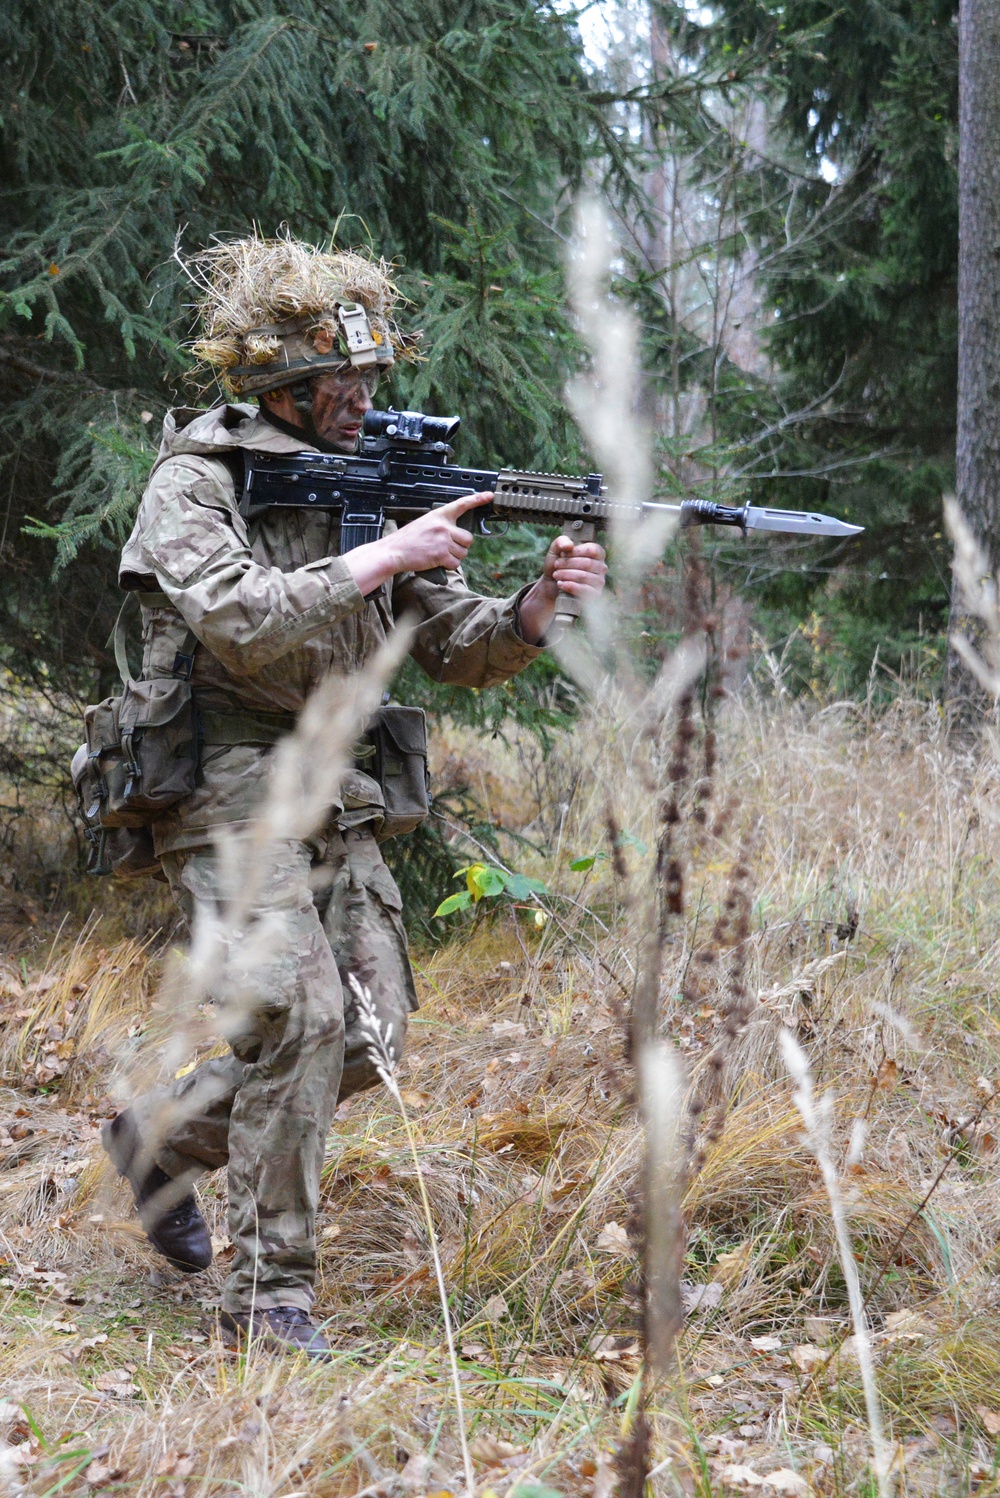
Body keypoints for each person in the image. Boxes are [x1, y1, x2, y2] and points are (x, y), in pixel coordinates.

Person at [101, 234, 607, 1359]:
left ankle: (158, 1142)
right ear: (279, 380)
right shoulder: (197, 481)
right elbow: (234, 614)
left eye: (374, 379)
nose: (364, 399)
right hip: (223, 769)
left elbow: (456, 644)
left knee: (370, 1036)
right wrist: (380, 557)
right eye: (342, 379)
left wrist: (533, 607)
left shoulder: (376, 476)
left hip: (334, 779)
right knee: (303, 1013)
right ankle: (271, 1300)